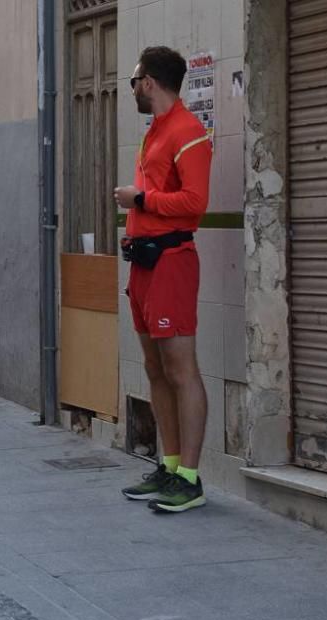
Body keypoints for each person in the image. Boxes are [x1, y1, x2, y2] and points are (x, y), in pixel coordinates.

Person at [117, 46, 213, 513]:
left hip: (172, 261)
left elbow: (195, 203)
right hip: (143, 263)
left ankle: (190, 479)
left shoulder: (189, 132)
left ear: (149, 81)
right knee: (155, 369)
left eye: (134, 80)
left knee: (181, 370)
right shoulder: (154, 132)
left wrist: (140, 200)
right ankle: (170, 465)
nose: (132, 88)